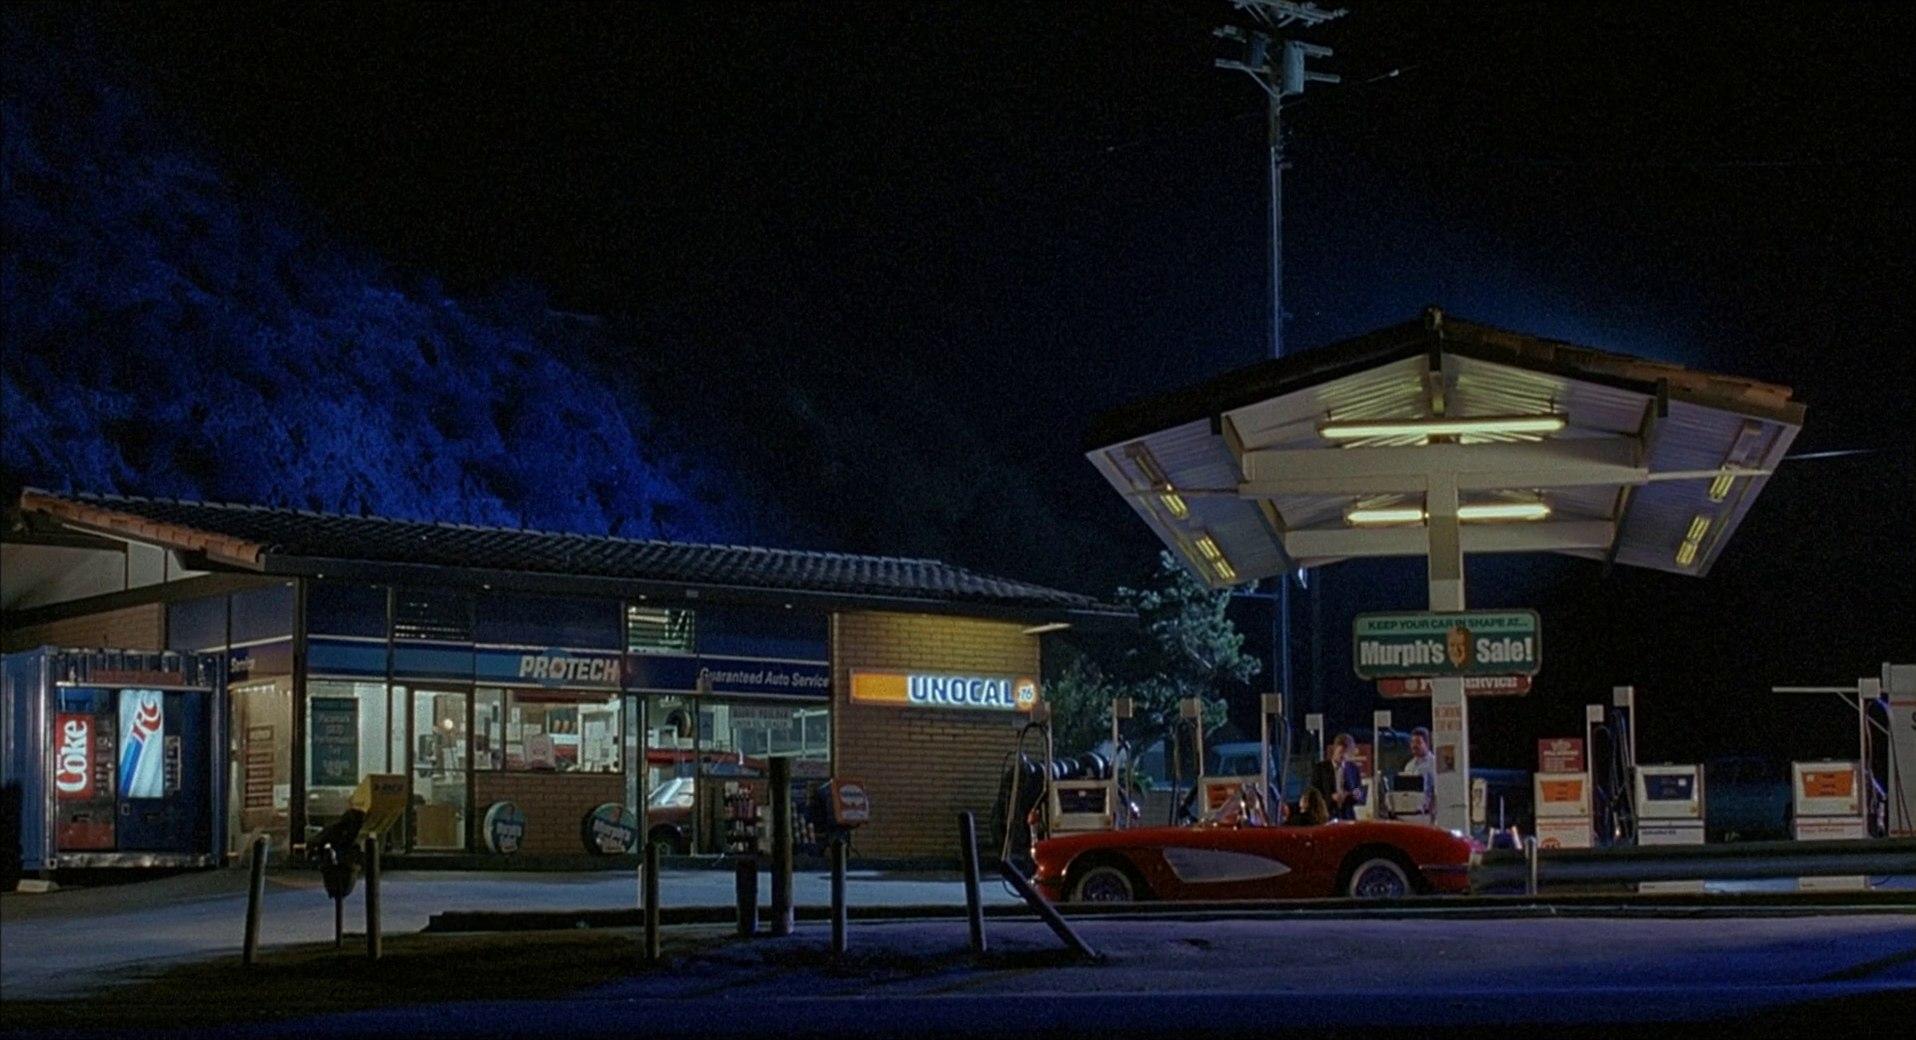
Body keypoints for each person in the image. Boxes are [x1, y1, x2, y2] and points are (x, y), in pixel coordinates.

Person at [1310, 733, 1367, 821]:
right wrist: (1331, 798)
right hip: (1327, 815)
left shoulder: (1353, 769)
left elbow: (1358, 790)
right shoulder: (1320, 769)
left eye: (1346, 753)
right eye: (1340, 752)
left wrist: (1352, 795)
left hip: (1347, 816)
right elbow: (1314, 794)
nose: (1343, 756)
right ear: (1334, 750)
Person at [1400, 726, 1438, 819]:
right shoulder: (1409, 765)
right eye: (1412, 742)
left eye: (1418, 742)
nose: (1414, 745)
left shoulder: (1435, 764)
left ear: (1426, 744)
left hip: (1428, 814)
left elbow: (1437, 789)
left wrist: (1433, 812)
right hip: (1410, 812)